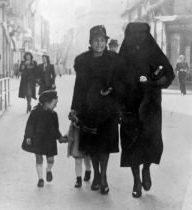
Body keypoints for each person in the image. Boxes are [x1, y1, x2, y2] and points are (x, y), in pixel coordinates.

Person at [119, 22, 175, 198]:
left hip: (150, 106)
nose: (137, 39)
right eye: (134, 35)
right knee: (131, 143)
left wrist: (155, 81)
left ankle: (146, 169)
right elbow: (114, 78)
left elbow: (168, 73)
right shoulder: (124, 54)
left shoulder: (153, 50)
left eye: (141, 35)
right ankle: (136, 179)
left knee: (150, 142)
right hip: (129, 106)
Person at [70, 25, 125, 195]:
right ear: (90, 42)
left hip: (109, 109)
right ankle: (96, 174)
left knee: (105, 145)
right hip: (89, 109)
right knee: (92, 146)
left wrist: (112, 89)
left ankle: (104, 177)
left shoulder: (114, 59)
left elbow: (122, 81)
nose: (99, 44)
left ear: (106, 42)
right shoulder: (82, 60)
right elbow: (78, 86)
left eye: (102, 40)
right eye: (96, 41)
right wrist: (75, 109)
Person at [21, 90, 66, 187]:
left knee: (51, 160)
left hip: (50, 141)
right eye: (55, 103)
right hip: (38, 139)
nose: (56, 105)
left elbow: (56, 129)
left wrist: (60, 137)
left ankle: (48, 170)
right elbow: (30, 126)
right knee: (39, 158)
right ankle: (40, 179)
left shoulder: (54, 115)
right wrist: (28, 136)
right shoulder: (35, 113)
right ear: (47, 102)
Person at [66, 122, 92, 188]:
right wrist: (66, 136)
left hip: (87, 139)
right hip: (77, 139)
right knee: (78, 161)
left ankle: (88, 171)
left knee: (87, 159)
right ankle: (78, 179)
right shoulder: (74, 114)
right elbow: (71, 128)